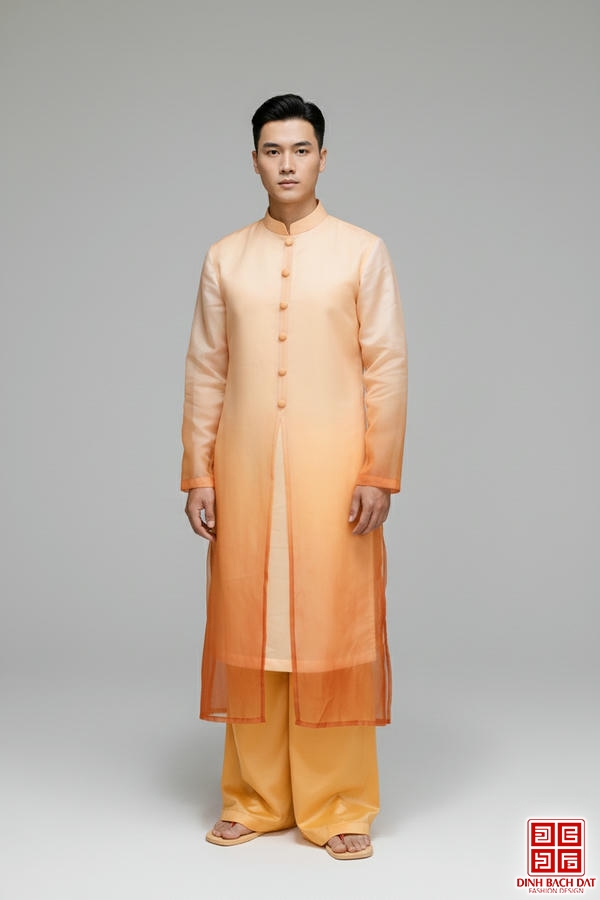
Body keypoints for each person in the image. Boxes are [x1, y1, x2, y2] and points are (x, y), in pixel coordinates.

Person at [181, 93, 408, 860]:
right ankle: (254, 797)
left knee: (332, 633)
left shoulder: (361, 252)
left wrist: (379, 470)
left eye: (301, 149)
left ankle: (339, 804)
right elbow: (205, 371)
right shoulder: (225, 257)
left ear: (322, 158)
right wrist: (198, 472)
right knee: (253, 629)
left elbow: (387, 368)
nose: (287, 164)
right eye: (273, 150)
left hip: (335, 475)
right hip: (244, 472)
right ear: (254, 160)